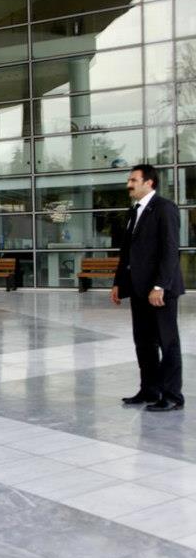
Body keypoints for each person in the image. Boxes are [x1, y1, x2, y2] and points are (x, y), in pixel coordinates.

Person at [111, 164, 185, 411]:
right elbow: (127, 252)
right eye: (129, 180)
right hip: (138, 289)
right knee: (144, 343)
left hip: (160, 291)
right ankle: (150, 390)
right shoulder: (135, 211)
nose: (128, 184)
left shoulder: (165, 208)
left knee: (167, 342)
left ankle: (172, 396)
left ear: (149, 182)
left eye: (133, 180)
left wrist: (160, 285)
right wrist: (118, 283)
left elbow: (170, 250)